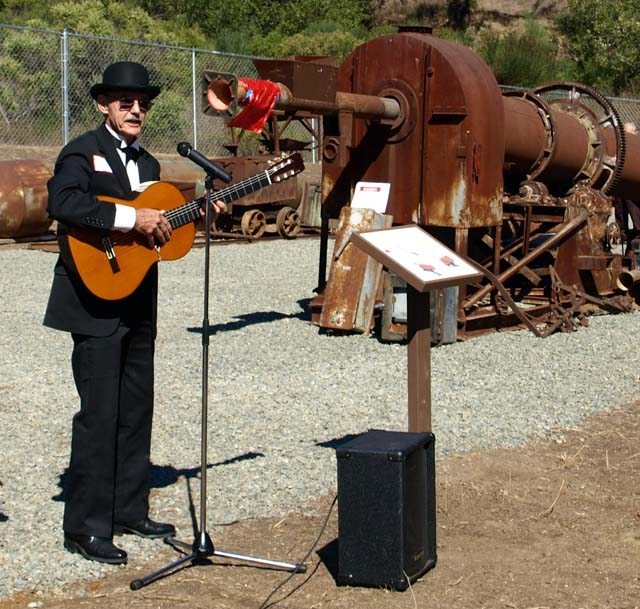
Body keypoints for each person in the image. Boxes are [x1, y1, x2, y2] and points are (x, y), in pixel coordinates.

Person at [43, 61, 225, 565]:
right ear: (104, 104)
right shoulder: (82, 150)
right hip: (92, 300)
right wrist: (131, 216)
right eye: (125, 102)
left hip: (138, 297)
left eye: (142, 103)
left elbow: (156, 234)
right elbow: (64, 202)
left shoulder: (148, 166)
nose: (136, 109)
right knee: (99, 415)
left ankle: (128, 507)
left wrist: (192, 216)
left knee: (136, 407)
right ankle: (85, 526)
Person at [613, 122, 640, 255]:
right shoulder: (620, 147)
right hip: (620, 188)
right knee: (619, 211)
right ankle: (623, 237)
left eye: (632, 133)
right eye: (626, 134)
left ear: (637, 133)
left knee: (635, 213)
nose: (629, 136)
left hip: (634, 189)